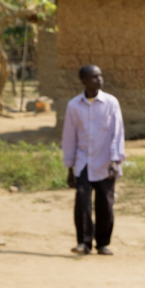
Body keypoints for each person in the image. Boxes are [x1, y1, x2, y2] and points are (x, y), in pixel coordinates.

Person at [61, 65, 125, 255]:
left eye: (100, 76)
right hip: (83, 163)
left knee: (105, 204)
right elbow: (69, 137)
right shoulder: (74, 106)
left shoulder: (111, 103)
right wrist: (69, 168)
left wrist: (115, 160)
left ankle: (103, 243)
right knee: (82, 204)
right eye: (94, 77)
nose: (99, 80)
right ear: (83, 81)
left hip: (106, 162)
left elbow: (117, 133)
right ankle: (84, 243)